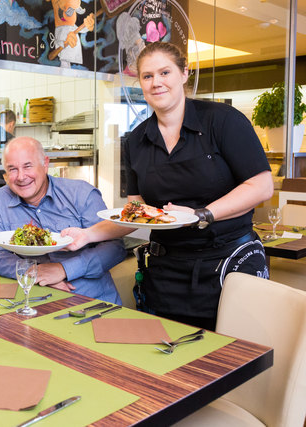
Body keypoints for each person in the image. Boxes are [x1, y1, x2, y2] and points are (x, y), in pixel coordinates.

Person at [62, 42, 274, 330]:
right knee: (168, 356)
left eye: (165, 72)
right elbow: (136, 212)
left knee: (232, 360)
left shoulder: (222, 121)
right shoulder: (136, 140)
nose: (156, 82)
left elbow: (261, 186)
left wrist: (202, 215)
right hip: (166, 273)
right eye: (147, 76)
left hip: (230, 263)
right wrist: (87, 235)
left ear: (184, 74)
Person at [0, 137, 126, 303]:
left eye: (27, 166)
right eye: (12, 169)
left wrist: (63, 270)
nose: (21, 176)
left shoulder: (81, 194)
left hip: (93, 301)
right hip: (37, 300)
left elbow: (115, 248)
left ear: (45, 164)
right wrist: (36, 272)